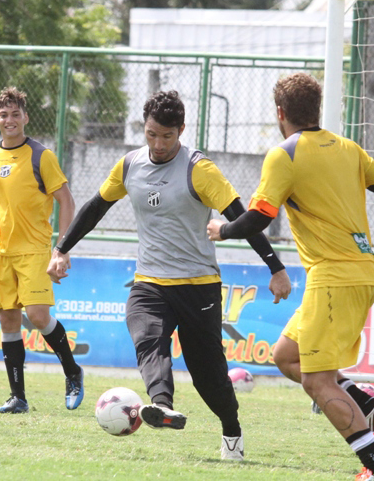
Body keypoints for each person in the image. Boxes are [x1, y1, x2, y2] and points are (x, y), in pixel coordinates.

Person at [48, 90, 291, 460]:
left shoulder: (199, 169)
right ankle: (160, 405)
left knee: (209, 377)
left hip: (199, 286)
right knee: (146, 335)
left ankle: (232, 431)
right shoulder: (130, 164)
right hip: (150, 282)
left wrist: (276, 267)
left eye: (166, 136)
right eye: (151, 135)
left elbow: (241, 217)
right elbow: (96, 207)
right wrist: (61, 249)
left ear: (181, 130)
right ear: (143, 129)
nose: (158, 144)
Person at [207, 73, 374, 481]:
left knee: (316, 381)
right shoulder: (347, 147)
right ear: (315, 108)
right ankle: (367, 403)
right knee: (285, 357)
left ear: (280, 113)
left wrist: (221, 230)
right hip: (358, 273)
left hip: (334, 278)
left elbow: (259, 216)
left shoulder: (285, 154)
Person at [0, 86, 84, 414]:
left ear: (26, 118)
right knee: (9, 322)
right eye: (4, 114)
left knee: (38, 315)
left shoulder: (42, 156)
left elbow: (67, 201)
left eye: (16, 114)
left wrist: (63, 248)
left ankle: (73, 372)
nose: (10, 119)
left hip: (34, 250)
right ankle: (19, 398)